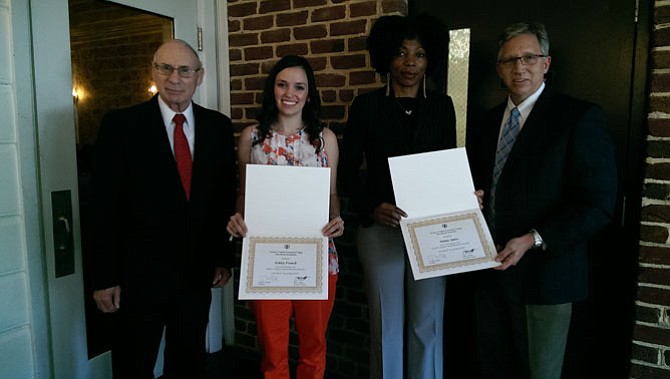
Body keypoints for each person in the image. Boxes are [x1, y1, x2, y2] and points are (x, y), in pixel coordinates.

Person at [465, 22, 618, 379]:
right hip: (488, 275)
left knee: (541, 373)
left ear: (545, 63)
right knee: (492, 369)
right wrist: (471, 199)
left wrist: (534, 238)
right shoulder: (485, 123)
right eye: (509, 61)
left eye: (529, 57)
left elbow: (598, 204)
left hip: (547, 278)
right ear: (499, 69)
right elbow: (481, 187)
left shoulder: (578, 117)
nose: (520, 68)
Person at [89, 39, 237, 379]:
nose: (175, 78)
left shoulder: (217, 126)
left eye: (184, 70)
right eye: (165, 68)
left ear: (199, 76)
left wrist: (222, 258)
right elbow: (103, 207)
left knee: (188, 364)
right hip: (137, 277)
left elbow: (223, 199)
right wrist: (104, 278)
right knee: (133, 365)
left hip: (196, 275)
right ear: (153, 72)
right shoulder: (121, 126)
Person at [339, 14, 456, 379]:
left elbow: (446, 168)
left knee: (427, 324)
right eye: (401, 53)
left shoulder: (442, 106)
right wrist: (372, 208)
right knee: (386, 326)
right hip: (380, 230)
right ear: (386, 57)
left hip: (430, 232)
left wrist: (465, 198)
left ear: (430, 59)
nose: (410, 63)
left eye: (420, 54)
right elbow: (346, 173)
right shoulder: (365, 106)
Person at [226, 55, 344, 379]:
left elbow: (331, 194)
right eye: (282, 84)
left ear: (309, 94)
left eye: (299, 86)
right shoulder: (252, 138)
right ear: (272, 89)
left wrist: (337, 219)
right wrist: (237, 216)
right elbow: (244, 193)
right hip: (266, 258)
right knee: (272, 350)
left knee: (314, 347)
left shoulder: (325, 140)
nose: (289, 93)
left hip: (317, 256)